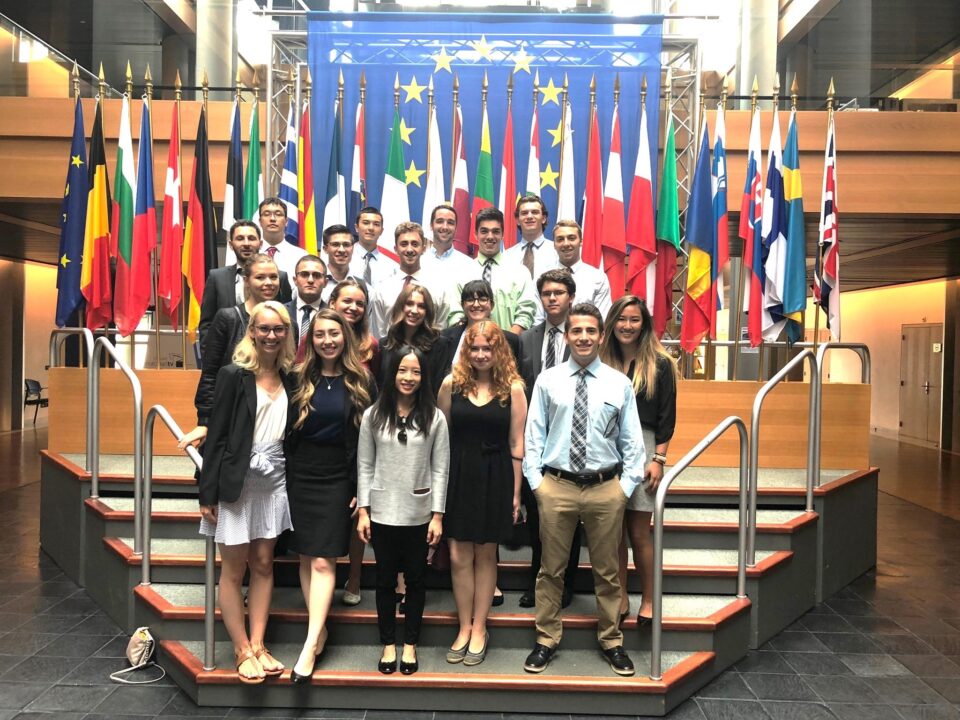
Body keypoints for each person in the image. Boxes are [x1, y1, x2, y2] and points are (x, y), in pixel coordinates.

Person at [522, 303, 646, 677]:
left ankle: (611, 641)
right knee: (550, 570)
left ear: (601, 335)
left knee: (608, 572)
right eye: (577, 331)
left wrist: (623, 489)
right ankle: (546, 639)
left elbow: (633, 444)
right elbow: (533, 438)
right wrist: (538, 485)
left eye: (591, 331)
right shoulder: (548, 380)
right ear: (567, 335)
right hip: (556, 486)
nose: (584, 338)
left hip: (605, 489)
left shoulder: (618, 383)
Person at [197, 300, 296, 684]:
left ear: (287, 334)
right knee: (234, 569)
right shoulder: (232, 375)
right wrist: (208, 493)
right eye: (264, 328)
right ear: (251, 331)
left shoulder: (292, 375)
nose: (271, 336)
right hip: (236, 482)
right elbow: (217, 435)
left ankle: (259, 644)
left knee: (265, 564)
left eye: (279, 329)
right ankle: (240, 649)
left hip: (273, 481)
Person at [287, 309, 376, 683]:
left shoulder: (362, 381)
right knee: (308, 557)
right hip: (298, 475)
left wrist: (361, 487)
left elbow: (368, 441)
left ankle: (309, 645)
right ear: (312, 339)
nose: (327, 340)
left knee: (324, 561)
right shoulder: (296, 378)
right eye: (320, 334)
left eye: (334, 334)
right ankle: (319, 629)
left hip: (339, 476)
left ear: (346, 339)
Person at [356, 346, 450, 675]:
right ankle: (387, 644)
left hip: (419, 513)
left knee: (415, 581)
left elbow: (440, 469)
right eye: (402, 370)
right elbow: (365, 465)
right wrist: (364, 510)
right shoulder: (373, 414)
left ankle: (409, 645)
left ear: (424, 377)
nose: (408, 378)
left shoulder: (434, 416)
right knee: (384, 581)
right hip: (381, 512)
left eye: (416, 372)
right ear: (392, 373)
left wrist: (438, 515)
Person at [438, 322, 526, 666]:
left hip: (496, 475)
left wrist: (516, 493)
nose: (480, 354)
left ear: (498, 351)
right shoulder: (451, 385)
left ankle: (480, 627)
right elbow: (440, 439)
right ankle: (463, 626)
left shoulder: (514, 388)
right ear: (466, 350)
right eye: (474, 348)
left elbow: (517, 443)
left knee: (486, 554)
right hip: (457, 475)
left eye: (487, 348)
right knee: (459, 555)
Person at [599, 295, 678, 626]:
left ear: (644, 324)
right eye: (621, 319)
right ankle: (619, 598)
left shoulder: (660, 363)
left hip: (645, 448)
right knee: (613, 533)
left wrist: (659, 457)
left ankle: (648, 598)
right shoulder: (602, 362)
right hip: (606, 448)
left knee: (639, 532)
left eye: (634, 320)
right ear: (612, 322)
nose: (627, 326)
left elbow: (666, 416)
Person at [517, 268, 582, 610]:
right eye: (546, 293)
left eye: (559, 292)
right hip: (535, 439)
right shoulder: (527, 338)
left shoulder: (583, 336)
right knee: (538, 516)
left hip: (573, 439)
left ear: (571, 297)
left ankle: (565, 584)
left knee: (567, 518)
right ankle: (536, 582)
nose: (552, 298)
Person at [327, 278, 380, 604]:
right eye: (347, 300)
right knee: (332, 514)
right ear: (333, 301)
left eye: (359, 303)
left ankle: (356, 577)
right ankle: (326, 575)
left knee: (358, 509)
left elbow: (375, 391)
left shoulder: (370, 344)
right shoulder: (320, 336)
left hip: (359, 435)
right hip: (326, 436)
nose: (353, 307)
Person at [192, 254, 282, 436]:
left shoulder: (286, 321)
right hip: (232, 411)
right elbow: (210, 372)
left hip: (272, 416)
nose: (268, 282)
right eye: (260, 277)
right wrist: (205, 420)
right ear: (246, 281)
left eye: (273, 277)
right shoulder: (227, 318)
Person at [448, 208, 537, 334]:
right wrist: (474, 343)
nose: (490, 236)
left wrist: (506, 343)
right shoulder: (461, 272)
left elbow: (525, 313)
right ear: (475, 234)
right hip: (470, 348)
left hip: (509, 348)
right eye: (484, 231)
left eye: (495, 231)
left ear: (502, 234)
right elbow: (455, 314)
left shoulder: (520, 272)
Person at [198, 220, 292, 342]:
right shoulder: (217, 277)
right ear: (231, 244)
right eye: (240, 238)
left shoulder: (280, 277)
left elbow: (286, 316)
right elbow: (207, 324)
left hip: (269, 349)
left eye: (252, 238)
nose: (246, 243)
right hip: (228, 355)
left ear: (261, 243)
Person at [368, 221, 453, 338]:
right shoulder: (382, 290)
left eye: (414, 244)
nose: (409, 249)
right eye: (404, 244)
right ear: (395, 249)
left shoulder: (438, 289)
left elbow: (440, 332)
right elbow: (379, 334)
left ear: (423, 249)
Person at [378, 283, 452, 397]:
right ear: (401, 307)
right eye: (409, 304)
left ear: (427, 311)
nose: (414, 310)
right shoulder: (385, 344)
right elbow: (381, 385)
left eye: (421, 306)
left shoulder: (440, 345)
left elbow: (438, 389)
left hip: (427, 411)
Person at [533, 220, 612, 324]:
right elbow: (537, 319)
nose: (566, 244)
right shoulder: (541, 277)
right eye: (560, 239)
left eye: (571, 238)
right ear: (554, 244)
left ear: (581, 241)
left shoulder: (598, 278)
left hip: (585, 338)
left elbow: (602, 320)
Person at [442, 279, 520, 368]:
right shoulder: (445, 337)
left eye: (482, 299)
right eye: (470, 300)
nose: (476, 304)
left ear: (492, 305)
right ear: (463, 305)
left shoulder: (510, 340)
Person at [503, 194, 558, 280]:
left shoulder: (557, 252)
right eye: (524, 213)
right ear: (517, 220)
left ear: (544, 218)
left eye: (535, 212)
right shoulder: (507, 256)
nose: (529, 216)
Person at [285, 254, 327, 361]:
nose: (310, 280)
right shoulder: (281, 312)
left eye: (317, 275)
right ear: (295, 280)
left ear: (325, 282)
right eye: (304, 274)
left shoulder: (332, 315)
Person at [422, 204, 475, 286]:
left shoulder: (469, 266)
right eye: (440, 221)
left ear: (456, 228)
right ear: (431, 226)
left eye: (450, 223)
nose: (445, 227)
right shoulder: (419, 262)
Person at [258, 197, 303, 292]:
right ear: (260, 221)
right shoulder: (251, 253)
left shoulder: (301, 256)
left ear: (286, 221)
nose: (272, 219)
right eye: (267, 214)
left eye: (278, 214)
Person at [348, 207, 398, 289]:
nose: (371, 228)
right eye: (366, 223)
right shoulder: (344, 258)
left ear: (382, 231)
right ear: (356, 227)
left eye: (376, 224)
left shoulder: (392, 265)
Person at [320, 224, 357, 303]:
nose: (341, 250)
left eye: (346, 245)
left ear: (353, 248)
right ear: (325, 249)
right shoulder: (314, 282)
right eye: (335, 244)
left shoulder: (361, 285)